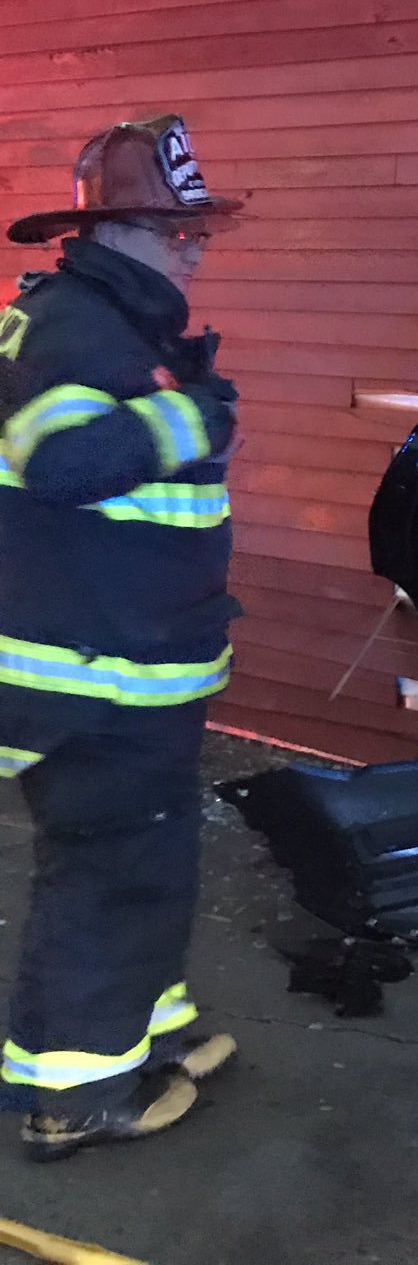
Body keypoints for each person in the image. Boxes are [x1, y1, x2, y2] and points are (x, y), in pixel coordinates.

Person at [0, 115, 243, 1159]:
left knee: (145, 861)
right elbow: (60, 457)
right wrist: (199, 420)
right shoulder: (81, 325)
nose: (193, 248)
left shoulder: (103, 318)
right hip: (94, 679)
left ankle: (144, 1035)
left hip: (122, 662)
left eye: (197, 232)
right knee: (109, 870)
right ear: (116, 230)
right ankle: (77, 1098)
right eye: (176, 230)